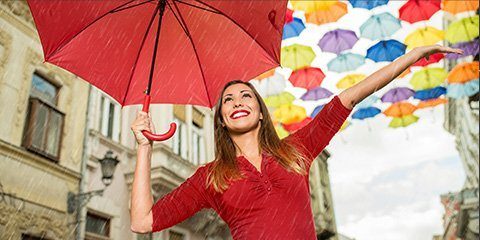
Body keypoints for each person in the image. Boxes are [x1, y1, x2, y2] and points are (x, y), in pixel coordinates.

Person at [129, 45, 462, 239]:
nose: (238, 101)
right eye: (228, 100)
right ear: (221, 119)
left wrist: (413, 56)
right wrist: (145, 148)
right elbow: (142, 221)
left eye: (247, 95)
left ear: (260, 112)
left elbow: (349, 98)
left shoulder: (295, 150)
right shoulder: (211, 177)